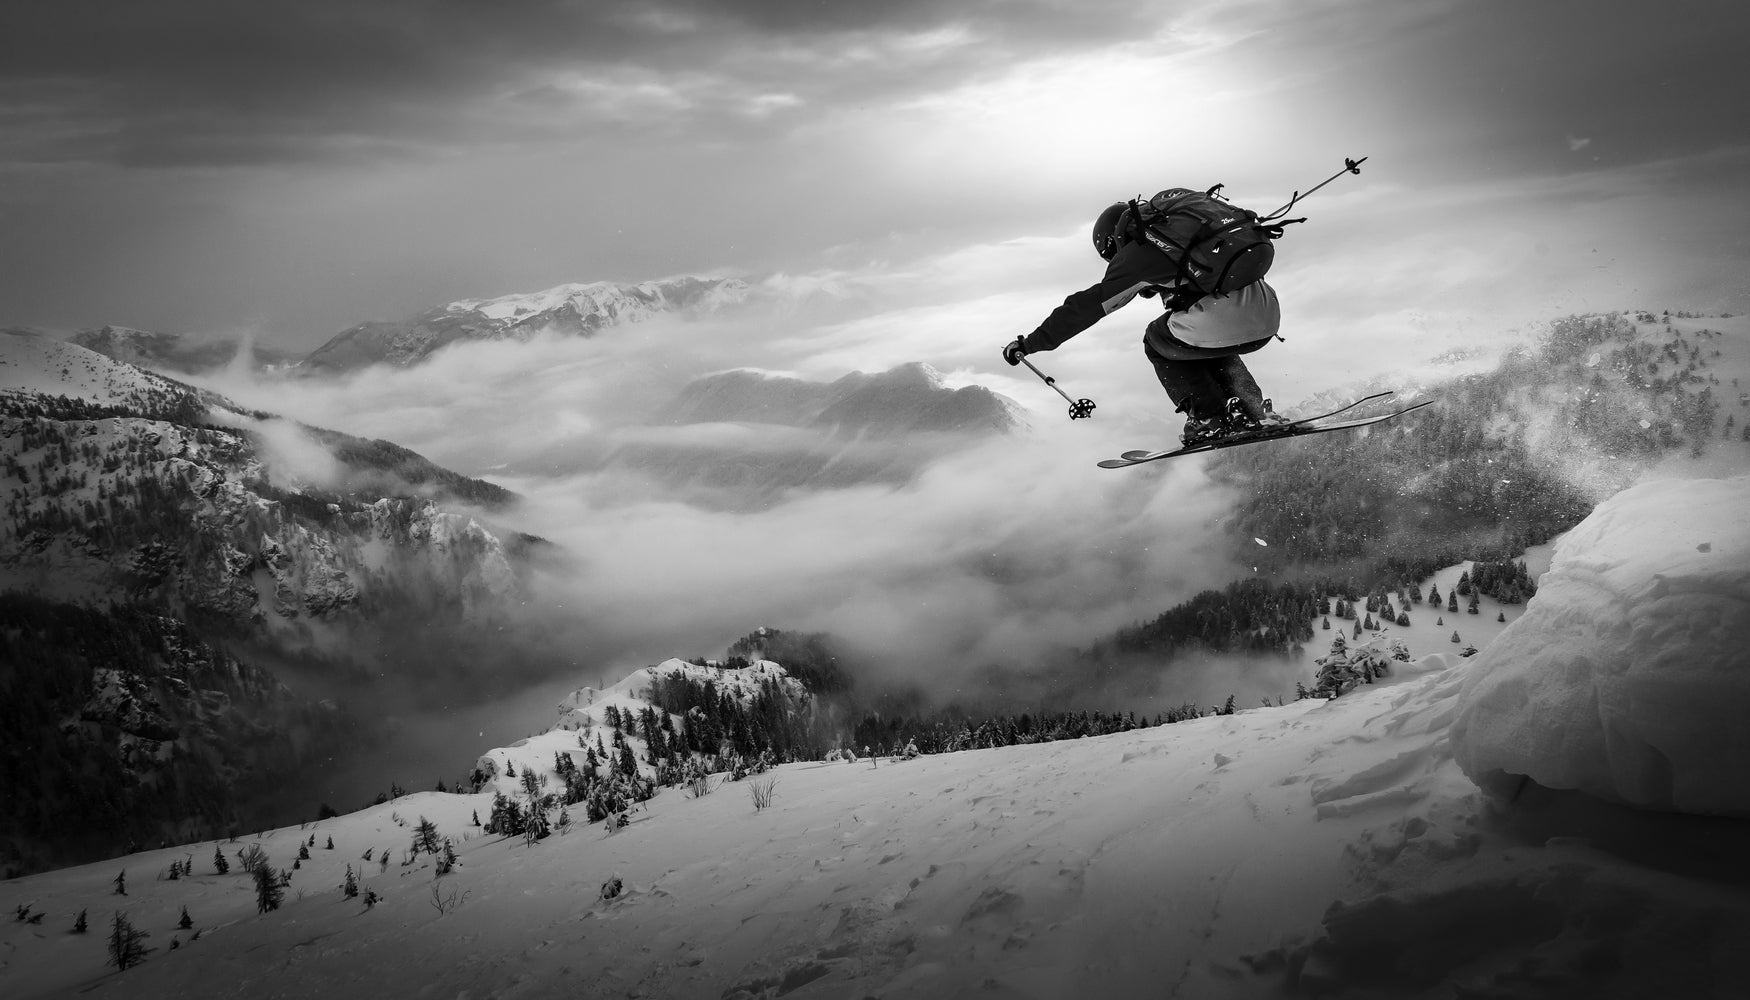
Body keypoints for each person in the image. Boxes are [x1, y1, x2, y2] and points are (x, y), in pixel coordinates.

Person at [1003, 201, 1290, 446]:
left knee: (1157, 338)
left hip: (1224, 320)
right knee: (1200, 339)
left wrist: (1030, 344)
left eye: (1110, 254)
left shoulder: (1138, 253)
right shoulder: (1186, 234)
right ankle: (1252, 409)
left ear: (1115, 240)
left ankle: (1209, 419)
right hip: (1267, 314)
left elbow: (1085, 308)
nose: (1114, 259)